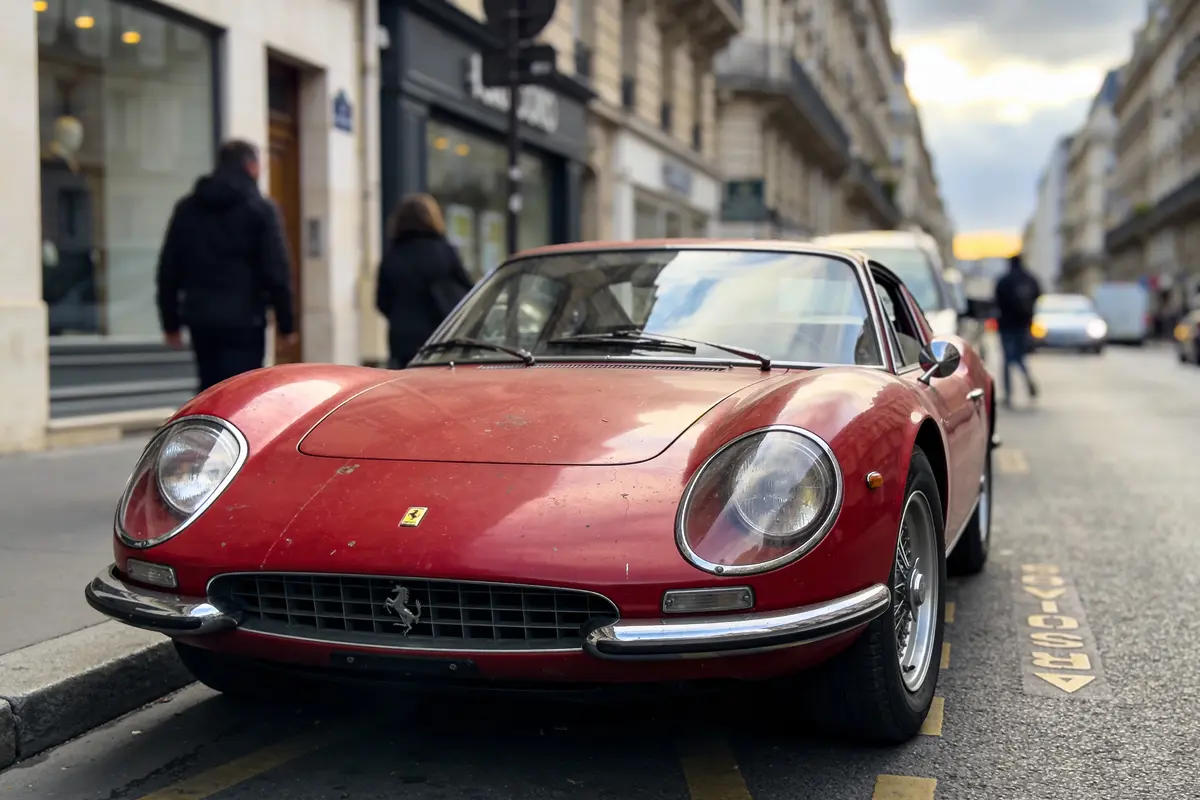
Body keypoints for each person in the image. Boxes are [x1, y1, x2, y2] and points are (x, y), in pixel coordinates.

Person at [155, 139, 298, 392]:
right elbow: (277, 271)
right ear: (251, 167)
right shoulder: (261, 210)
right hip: (246, 320)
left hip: (201, 318)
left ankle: (209, 430)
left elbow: (169, 268)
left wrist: (170, 322)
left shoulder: (187, 209)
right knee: (242, 391)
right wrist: (286, 324)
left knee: (209, 388)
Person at [375, 193, 474, 368]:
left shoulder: (393, 255)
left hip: (402, 341)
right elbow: (469, 292)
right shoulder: (445, 252)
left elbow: (382, 302)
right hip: (440, 337)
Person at [993, 252, 1041, 407]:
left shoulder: (1004, 281)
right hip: (1024, 324)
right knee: (1020, 357)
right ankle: (1027, 379)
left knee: (1007, 359)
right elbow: (1038, 296)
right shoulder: (1030, 279)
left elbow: (996, 301)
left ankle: (1008, 394)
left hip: (1007, 324)